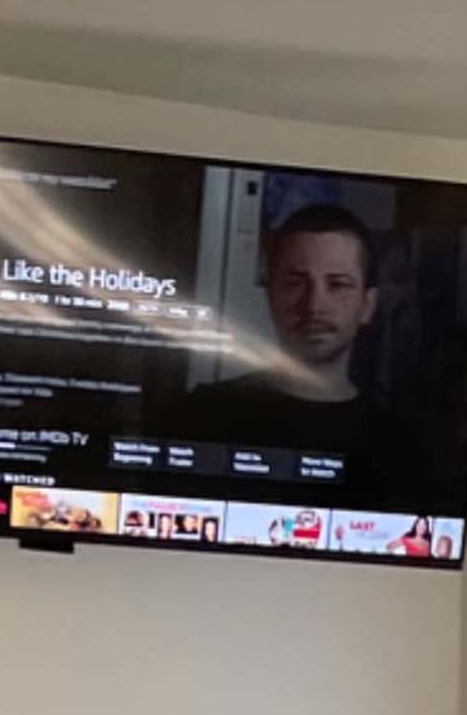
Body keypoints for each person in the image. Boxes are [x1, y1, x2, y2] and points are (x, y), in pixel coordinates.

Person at [183, 197, 451, 505]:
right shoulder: (202, 416)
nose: (314, 305)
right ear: (271, 296)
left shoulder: (402, 448)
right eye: (295, 283)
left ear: (367, 305)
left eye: (337, 285)